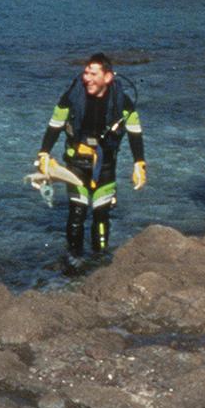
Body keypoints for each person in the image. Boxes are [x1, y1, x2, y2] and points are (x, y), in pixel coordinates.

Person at [37, 53, 146, 257]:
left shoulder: (123, 101)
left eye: (93, 73)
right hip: (76, 164)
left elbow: (135, 132)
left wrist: (139, 163)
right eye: (85, 72)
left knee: (101, 215)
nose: (87, 78)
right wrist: (44, 153)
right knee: (77, 214)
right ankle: (74, 260)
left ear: (107, 77)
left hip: (105, 166)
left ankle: (99, 261)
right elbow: (54, 125)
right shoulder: (72, 96)